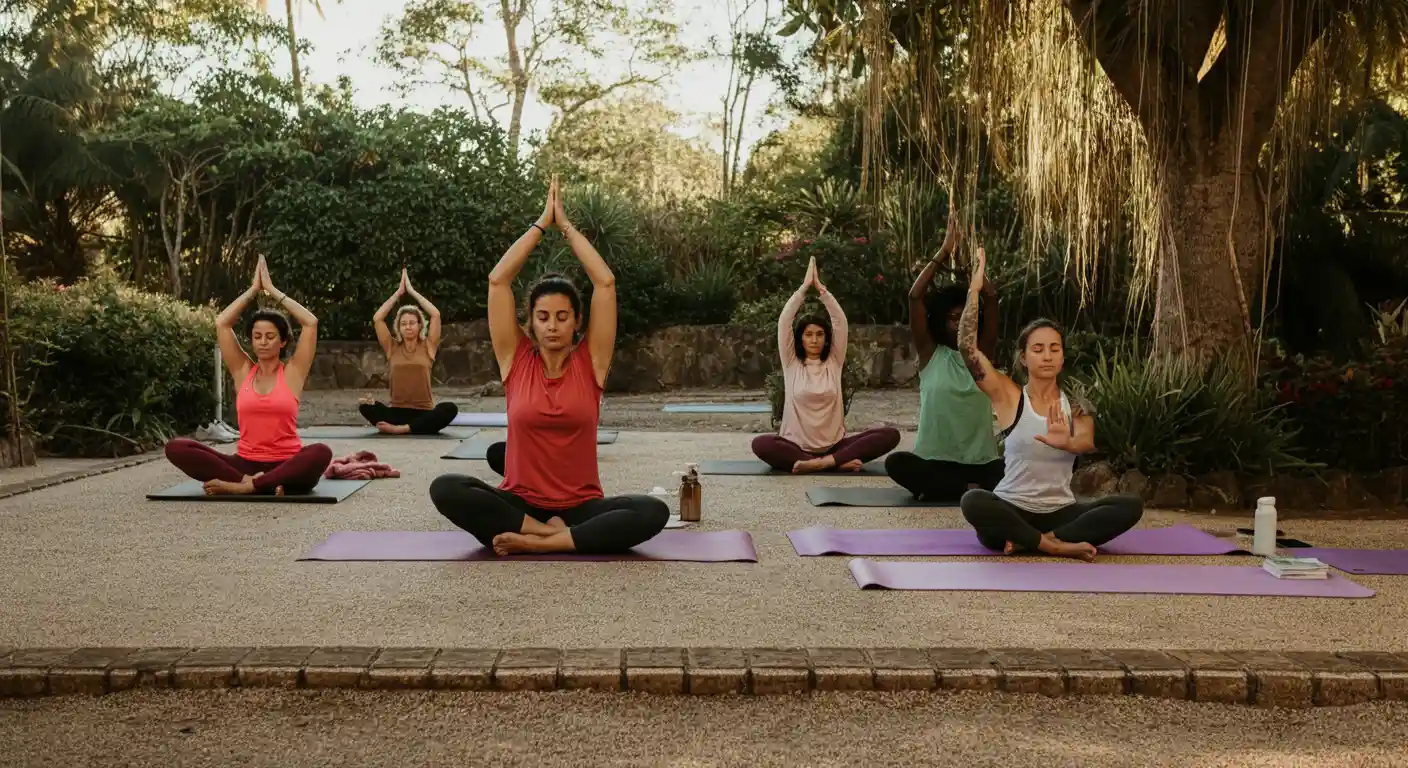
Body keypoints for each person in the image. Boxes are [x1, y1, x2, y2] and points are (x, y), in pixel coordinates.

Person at [428, 176, 668, 555]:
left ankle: (546, 542)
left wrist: (566, 225)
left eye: (562, 316)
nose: (553, 326)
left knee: (653, 511)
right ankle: (545, 532)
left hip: (581, 507)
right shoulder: (516, 359)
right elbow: (497, 281)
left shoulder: (592, 362)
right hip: (522, 503)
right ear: (531, 321)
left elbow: (605, 283)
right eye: (543, 317)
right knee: (446, 487)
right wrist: (542, 224)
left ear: (576, 321)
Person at [954, 248, 1142, 561]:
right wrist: (974, 290)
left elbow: (1086, 442)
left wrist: (1066, 442)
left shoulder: (1077, 403)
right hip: (1010, 508)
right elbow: (966, 347)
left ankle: (1037, 540)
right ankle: (1053, 545)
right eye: (1038, 349)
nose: (1047, 355)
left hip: (1059, 512)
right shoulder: (1009, 395)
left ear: (1062, 356)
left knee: (1130, 506)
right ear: (1024, 358)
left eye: (1054, 348)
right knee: (973, 501)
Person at [164, 256, 332, 495]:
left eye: (270, 336)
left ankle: (249, 486)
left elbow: (311, 323)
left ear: (283, 341)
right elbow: (222, 323)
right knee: (177, 447)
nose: (263, 342)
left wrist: (272, 291)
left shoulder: (293, 372)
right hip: (244, 464)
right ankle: (252, 481)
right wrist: (253, 290)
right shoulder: (243, 371)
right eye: (257, 336)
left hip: (287, 463)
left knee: (320, 452)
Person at [885, 205, 1004, 500]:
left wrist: (971, 267)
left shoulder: (982, 354)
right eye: (953, 317)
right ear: (940, 320)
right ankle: (967, 491)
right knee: (897, 463)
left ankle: (959, 489)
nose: (960, 322)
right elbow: (915, 296)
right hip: (935, 461)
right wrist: (944, 251)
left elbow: (991, 297)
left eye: (965, 316)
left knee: (1020, 464)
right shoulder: (930, 353)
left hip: (982, 464)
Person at [750, 256, 900, 473]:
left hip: (835, 446)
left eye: (819, 334)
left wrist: (822, 291)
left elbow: (840, 322)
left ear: (826, 339)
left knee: (890, 435)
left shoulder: (834, 362)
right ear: (800, 339)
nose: (814, 339)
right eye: (808, 334)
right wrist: (803, 289)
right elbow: (784, 322)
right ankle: (833, 462)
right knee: (761, 444)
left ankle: (823, 463)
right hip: (796, 447)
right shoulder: (792, 364)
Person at [358, 268, 459, 435]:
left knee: (449, 409)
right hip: (397, 412)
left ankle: (403, 429)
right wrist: (398, 293)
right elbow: (378, 318)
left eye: (412, 322)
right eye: (403, 323)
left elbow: (435, 314)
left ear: (420, 325)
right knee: (366, 405)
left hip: (424, 412)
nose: (408, 326)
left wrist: (411, 291)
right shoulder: (392, 347)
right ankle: (407, 428)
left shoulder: (428, 346)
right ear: (399, 327)